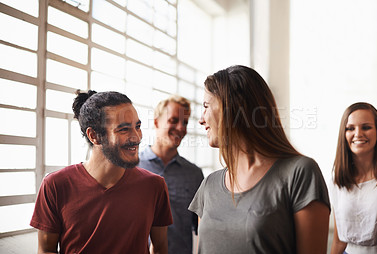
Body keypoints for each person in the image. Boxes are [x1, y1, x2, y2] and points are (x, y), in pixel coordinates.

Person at [188, 65, 331, 254]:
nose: (201, 119)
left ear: (234, 108)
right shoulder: (208, 186)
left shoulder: (300, 173)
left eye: (206, 106)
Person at [30, 90, 173, 254]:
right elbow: (46, 250)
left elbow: (160, 248)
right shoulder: (55, 185)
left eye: (137, 126)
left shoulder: (154, 185)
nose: (136, 137)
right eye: (124, 129)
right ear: (94, 136)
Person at [329, 102, 377, 254]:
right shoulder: (338, 177)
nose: (358, 134)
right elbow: (339, 240)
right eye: (350, 128)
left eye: (366, 127)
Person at [138, 95, 204, 254]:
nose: (181, 128)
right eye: (174, 120)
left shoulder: (194, 174)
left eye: (185, 122)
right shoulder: (132, 168)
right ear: (156, 122)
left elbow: (204, 230)